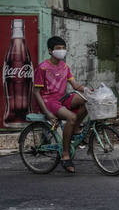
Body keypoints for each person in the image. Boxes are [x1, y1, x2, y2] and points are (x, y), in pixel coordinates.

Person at [32, 36, 88, 173]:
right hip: (48, 101)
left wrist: (88, 90)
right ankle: (65, 155)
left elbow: (74, 85)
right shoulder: (43, 68)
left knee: (87, 101)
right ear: (50, 51)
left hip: (62, 98)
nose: (62, 51)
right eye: (58, 49)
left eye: (64, 48)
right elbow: (36, 92)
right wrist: (47, 113)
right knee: (71, 118)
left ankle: (74, 129)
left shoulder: (64, 66)